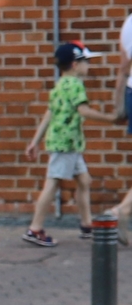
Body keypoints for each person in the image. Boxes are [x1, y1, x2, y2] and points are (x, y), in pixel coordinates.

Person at [25, 40, 98, 247]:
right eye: (86, 62)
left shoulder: (60, 85)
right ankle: (35, 228)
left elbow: (49, 113)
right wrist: (112, 118)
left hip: (69, 143)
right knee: (53, 183)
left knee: (84, 180)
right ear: (75, 64)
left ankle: (87, 224)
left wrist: (35, 141)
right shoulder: (75, 85)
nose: (88, 66)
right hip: (66, 144)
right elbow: (83, 110)